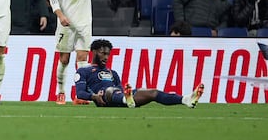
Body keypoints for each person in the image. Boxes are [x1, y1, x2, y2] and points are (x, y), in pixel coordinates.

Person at [49, 0, 110, 105]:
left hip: (84, 23)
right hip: (66, 23)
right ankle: (60, 92)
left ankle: (81, 95)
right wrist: (60, 15)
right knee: (64, 59)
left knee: (83, 59)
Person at [75, 39, 204, 108]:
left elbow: (119, 88)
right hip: (103, 98)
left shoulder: (112, 72)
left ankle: (185, 100)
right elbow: (80, 93)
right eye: (103, 53)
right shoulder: (83, 71)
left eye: (108, 54)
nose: (106, 57)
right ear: (94, 52)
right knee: (109, 90)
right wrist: (94, 97)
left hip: (118, 97)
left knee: (152, 92)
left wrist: (123, 94)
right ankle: (127, 99)